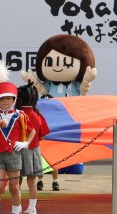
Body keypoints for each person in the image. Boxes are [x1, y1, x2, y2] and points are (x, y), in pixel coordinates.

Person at [22, 34, 97, 191]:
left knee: (71, 152)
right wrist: (32, 80)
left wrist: (87, 81)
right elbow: (40, 89)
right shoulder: (49, 84)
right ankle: (48, 173)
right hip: (51, 124)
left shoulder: (74, 85)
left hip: (70, 123)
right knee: (50, 152)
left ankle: (73, 163)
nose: (57, 66)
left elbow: (83, 91)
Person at [0, 60, 36, 214]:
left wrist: (25, 143)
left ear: (14, 100)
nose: (5, 101)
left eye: (8, 98)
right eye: (1, 99)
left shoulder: (21, 115)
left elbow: (33, 132)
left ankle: (15, 212)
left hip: (14, 153)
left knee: (14, 186)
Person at [15, 81, 49, 214]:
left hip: (17, 151)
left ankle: (16, 207)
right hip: (34, 150)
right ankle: (32, 208)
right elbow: (42, 136)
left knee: (16, 181)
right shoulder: (38, 114)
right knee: (32, 181)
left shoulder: (17, 114)